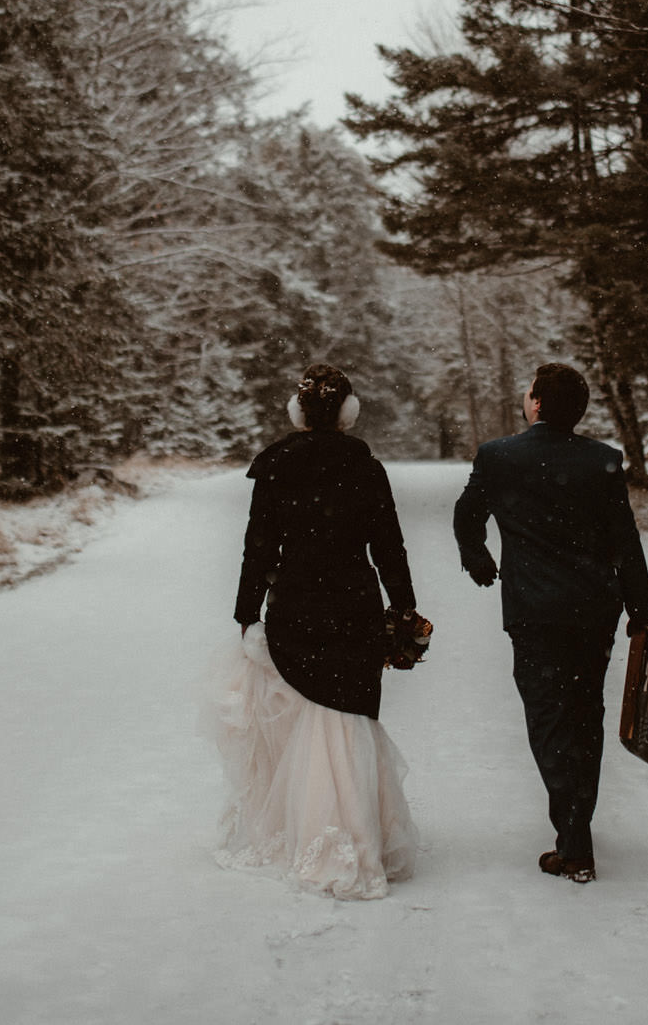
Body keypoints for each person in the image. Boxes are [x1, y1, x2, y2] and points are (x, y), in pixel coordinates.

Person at [212, 363, 422, 900]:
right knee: (347, 717)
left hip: (297, 603)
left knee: (307, 716)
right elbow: (389, 546)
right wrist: (404, 608)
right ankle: (356, 836)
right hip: (353, 603)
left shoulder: (276, 465)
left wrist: (245, 614)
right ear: (348, 415)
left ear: (298, 413)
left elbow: (258, 548)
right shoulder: (366, 467)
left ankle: (311, 833)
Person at [454, 361, 648, 884]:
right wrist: (642, 611)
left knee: (548, 718)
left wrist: (477, 558)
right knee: (585, 714)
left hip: (535, 612)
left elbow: (466, 516)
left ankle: (574, 841)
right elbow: (625, 543)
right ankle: (576, 826)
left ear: (538, 404)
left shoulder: (499, 457)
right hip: (594, 613)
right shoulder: (603, 462)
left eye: (528, 392)